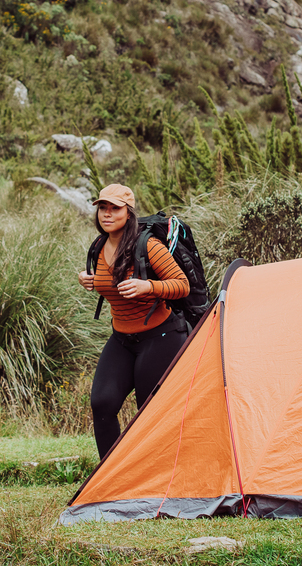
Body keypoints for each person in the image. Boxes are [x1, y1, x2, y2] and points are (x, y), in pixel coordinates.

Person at [78, 183, 189, 459]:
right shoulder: (99, 246)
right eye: (103, 208)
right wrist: (89, 280)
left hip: (160, 337)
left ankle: (154, 477)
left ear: (128, 213)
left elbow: (182, 285)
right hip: (122, 339)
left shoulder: (148, 245)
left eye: (114, 208)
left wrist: (148, 286)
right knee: (102, 403)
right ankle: (111, 476)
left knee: (147, 414)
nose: (107, 214)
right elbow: (108, 281)